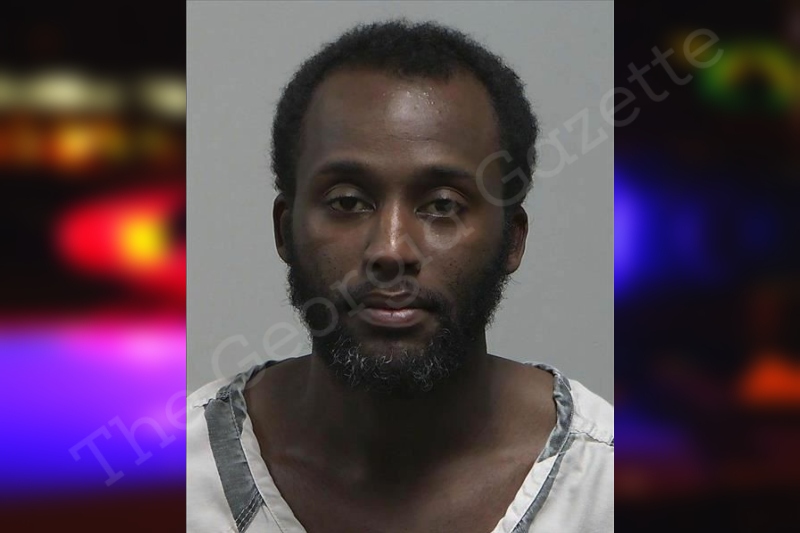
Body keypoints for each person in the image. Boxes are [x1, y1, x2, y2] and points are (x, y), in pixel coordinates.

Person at [187, 20, 613, 533]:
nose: (390, 249)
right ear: (284, 229)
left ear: (512, 239)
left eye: (442, 205)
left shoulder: (607, 485)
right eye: (348, 202)